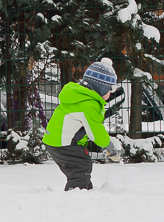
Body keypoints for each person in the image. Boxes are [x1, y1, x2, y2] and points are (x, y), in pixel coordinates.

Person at [42, 58, 124, 191]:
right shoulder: (89, 104)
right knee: (81, 167)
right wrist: (108, 145)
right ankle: (75, 197)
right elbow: (95, 130)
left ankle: (85, 191)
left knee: (80, 168)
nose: (110, 95)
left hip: (55, 140)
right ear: (101, 88)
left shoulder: (80, 96)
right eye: (110, 90)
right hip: (63, 143)